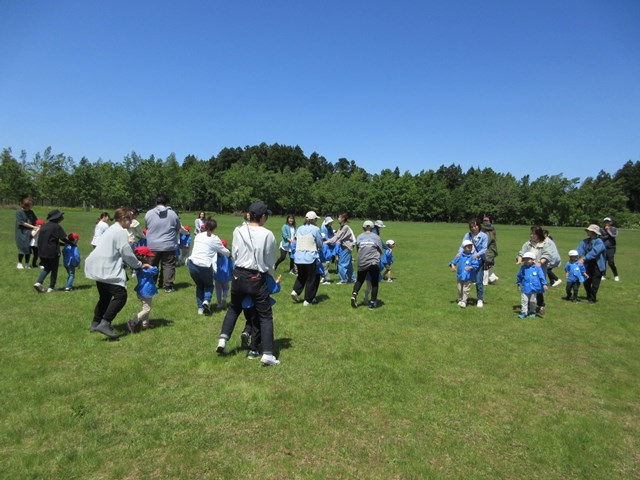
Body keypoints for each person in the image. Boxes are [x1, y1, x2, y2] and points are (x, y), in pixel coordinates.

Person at [216, 201, 279, 366]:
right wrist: (270, 277)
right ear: (263, 216)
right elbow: (270, 260)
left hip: (238, 274)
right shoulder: (268, 234)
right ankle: (267, 354)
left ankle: (223, 339)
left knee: (234, 308)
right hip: (256, 277)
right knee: (265, 316)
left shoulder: (238, 230)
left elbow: (235, 253)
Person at [84, 208, 151, 339]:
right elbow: (126, 252)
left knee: (105, 297)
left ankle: (95, 323)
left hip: (98, 265)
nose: (131, 222)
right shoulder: (120, 231)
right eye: (130, 220)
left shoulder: (111, 228)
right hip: (107, 267)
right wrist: (139, 265)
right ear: (123, 219)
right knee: (121, 295)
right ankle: (105, 323)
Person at [187, 218, 230, 315]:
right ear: (214, 228)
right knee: (209, 285)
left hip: (192, 263)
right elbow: (225, 252)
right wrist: (229, 253)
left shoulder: (198, 235)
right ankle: (206, 300)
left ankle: (200, 309)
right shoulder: (215, 238)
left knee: (199, 286)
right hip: (205, 265)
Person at [144, 194, 181, 292]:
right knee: (168, 265)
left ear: (156, 202)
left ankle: (151, 284)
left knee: (152, 265)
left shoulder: (149, 213)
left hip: (153, 245)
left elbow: (147, 227)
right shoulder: (173, 214)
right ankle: (168, 286)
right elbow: (178, 228)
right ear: (166, 203)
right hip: (168, 245)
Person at [242, 274, 281, 359]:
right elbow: (272, 289)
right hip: (257, 305)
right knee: (257, 327)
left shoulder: (244, 274)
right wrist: (277, 283)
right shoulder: (264, 275)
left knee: (250, 321)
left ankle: (246, 332)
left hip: (245, 305)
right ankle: (253, 350)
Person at [516, 226, 553, 314]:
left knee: (538, 287)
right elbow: (521, 253)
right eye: (531, 233)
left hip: (539, 270)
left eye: (533, 234)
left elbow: (547, 255)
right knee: (528, 286)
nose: (531, 235)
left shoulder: (545, 244)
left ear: (539, 235)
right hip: (527, 269)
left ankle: (540, 306)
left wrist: (540, 262)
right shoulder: (527, 244)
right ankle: (528, 306)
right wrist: (519, 259)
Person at [291, 211, 323, 306]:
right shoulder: (316, 229)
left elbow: (296, 240)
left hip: (298, 257)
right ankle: (308, 300)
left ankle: (295, 291)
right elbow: (319, 243)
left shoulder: (299, 228)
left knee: (301, 276)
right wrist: (320, 248)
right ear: (314, 220)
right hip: (310, 257)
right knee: (311, 279)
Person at [351, 220, 385, 309]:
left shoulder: (359, 237)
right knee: (374, 283)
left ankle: (354, 295)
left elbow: (358, 249)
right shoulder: (376, 237)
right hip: (373, 262)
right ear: (372, 227)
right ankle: (372, 303)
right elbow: (380, 250)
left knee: (359, 280)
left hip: (362, 262)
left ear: (363, 228)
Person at [33, 210, 69, 293]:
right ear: (57, 218)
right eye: (61, 216)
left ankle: (39, 282)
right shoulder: (57, 227)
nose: (62, 217)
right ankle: (51, 288)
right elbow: (63, 238)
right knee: (54, 269)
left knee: (47, 268)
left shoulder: (44, 226)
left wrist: (63, 244)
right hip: (53, 252)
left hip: (41, 251)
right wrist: (71, 243)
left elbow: (51, 240)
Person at [458, 219, 488, 308]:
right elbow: (462, 246)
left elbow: (484, 249)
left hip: (478, 261)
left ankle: (480, 299)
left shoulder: (484, 236)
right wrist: (459, 253)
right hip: (467, 261)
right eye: (472, 227)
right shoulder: (468, 235)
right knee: (464, 281)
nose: (474, 228)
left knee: (479, 281)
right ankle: (463, 300)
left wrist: (477, 255)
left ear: (479, 226)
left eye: (475, 226)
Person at [128, 246, 159, 332]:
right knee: (146, 309)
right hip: (146, 292)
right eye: (149, 256)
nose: (150, 258)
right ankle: (133, 322)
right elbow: (155, 271)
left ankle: (145, 324)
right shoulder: (144, 268)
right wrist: (148, 265)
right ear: (144, 257)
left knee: (145, 308)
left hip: (143, 291)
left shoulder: (138, 267)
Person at [577, 224, 606, 304]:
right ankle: (589, 295)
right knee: (586, 281)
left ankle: (592, 299)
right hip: (587, 264)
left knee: (595, 283)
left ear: (593, 232)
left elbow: (595, 252)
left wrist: (584, 258)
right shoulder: (585, 241)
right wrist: (576, 257)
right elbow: (579, 249)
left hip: (597, 265)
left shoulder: (599, 242)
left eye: (589, 230)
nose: (588, 231)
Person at [516, 252, 548, 318]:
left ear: (533, 259)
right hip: (525, 288)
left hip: (534, 288)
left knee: (533, 301)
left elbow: (541, 276)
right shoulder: (523, 268)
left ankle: (532, 312)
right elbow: (519, 276)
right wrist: (518, 283)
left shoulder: (537, 268)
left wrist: (544, 284)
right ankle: (524, 313)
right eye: (525, 259)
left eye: (528, 259)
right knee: (524, 301)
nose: (526, 261)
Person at [327, 213, 356, 284]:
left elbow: (337, 237)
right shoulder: (342, 227)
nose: (338, 219)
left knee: (341, 264)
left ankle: (343, 280)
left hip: (346, 247)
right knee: (348, 265)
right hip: (345, 247)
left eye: (339, 217)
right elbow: (337, 236)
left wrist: (327, 242)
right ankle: (352, 279)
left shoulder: (345, 227)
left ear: (343, 219)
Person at [450, 239, 479, 308]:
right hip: (460, 276)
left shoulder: (473, 256)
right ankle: (460, 300)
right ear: (464, 248)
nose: (470, 248)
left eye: (471, 247)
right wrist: (453, 266)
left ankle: (464, 301)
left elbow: (476, 265)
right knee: (460, 289)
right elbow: (453, 262)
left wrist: (471, 267)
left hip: (468, 277)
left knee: (466, 290)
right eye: (468, 247)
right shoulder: (460, 256)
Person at [15, 195, 38, 269]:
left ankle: (27, 264)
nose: (31, 206)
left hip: (29, 233)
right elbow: (22, 223)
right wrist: (33, 227)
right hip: (21, 233)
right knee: (22, 248)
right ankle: (19, 263)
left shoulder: (31, 212)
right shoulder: (19, 212)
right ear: (26, 205)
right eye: (30, 205)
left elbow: (36, 220)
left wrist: (40, 224)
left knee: (28, 248)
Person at [215, 238, 234, 310]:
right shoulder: (228, 256)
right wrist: (233, 273)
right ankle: (224, 298)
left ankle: (219, 303)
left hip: (217, 276)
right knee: (226, 288)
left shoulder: (215, 255)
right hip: (226, 276)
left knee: (218, 290)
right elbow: (232, 266)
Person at [481, 216, 499, 285]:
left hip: (489, 252)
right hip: (490, 252)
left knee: (485, 266)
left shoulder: (488, 233)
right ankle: (493, 278)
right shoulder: (491, 230)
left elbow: (486, 244)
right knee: (487, 266)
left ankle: (484, 282)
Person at [600, 217, 619, 281]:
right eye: (605, 222)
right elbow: (600, 238)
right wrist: (607, 236)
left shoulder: (614, 229)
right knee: (603, 261)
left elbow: (614, 235)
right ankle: (603, 275)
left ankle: (616, 275)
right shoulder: (601, 229)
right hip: (603, 247)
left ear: (610, 222)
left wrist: (608, 231)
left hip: (611, 247)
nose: (606, 223)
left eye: (608, 222)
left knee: (611, 262)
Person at [320, 216, 336, 284]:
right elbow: (325, 238)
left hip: (330, 245)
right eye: (330, 222)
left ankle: (325, 277)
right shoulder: (324, 228)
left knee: (327, 262)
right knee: (325, 262)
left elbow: (332, 235)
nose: (331, 223)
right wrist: (332, 241)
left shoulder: (330, 227)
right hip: (325, 245)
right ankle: (325, 277)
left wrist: (333, 241)